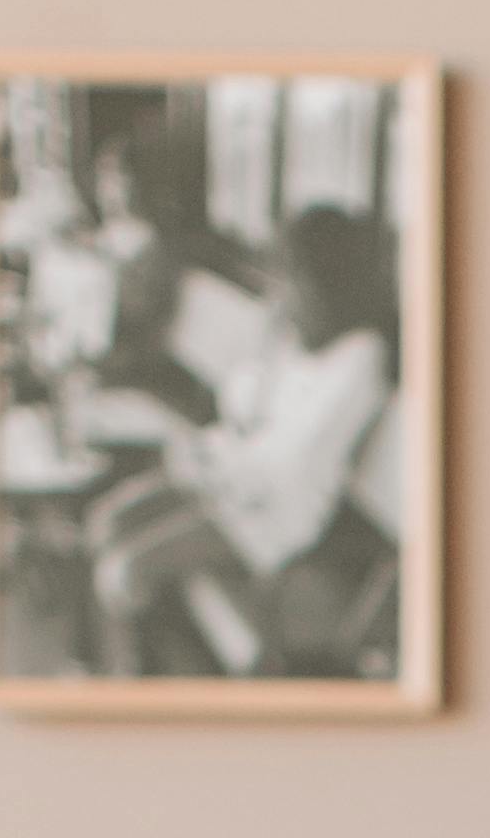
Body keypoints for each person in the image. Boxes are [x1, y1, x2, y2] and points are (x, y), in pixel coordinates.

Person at [82, 210, 403, 679]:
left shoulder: (359, 358)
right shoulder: (300, 341)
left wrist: (212, 459)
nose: (282, 292)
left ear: (327, 280)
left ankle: (133, 688)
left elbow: (289, 465)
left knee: (124, 573)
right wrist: (267, 347)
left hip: (267, 523)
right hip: (230, 488)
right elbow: (242, 409)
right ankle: (135, 663)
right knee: (106, 521)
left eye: (291, 277)